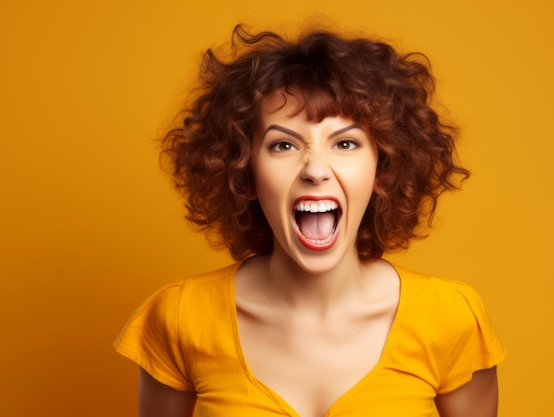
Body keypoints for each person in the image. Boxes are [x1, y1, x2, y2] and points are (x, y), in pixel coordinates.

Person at [114, 24, 506, 417]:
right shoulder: (181, 316)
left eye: (345, 143)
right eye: (283, 144)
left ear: (382, 168)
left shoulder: (449, 317)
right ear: (245, 172)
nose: (315, 170)